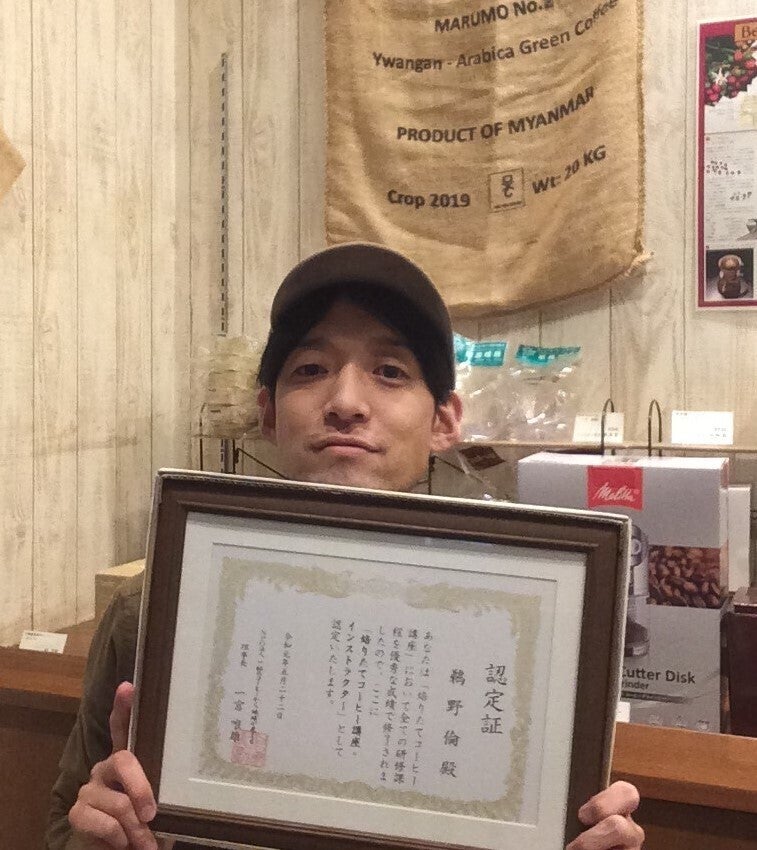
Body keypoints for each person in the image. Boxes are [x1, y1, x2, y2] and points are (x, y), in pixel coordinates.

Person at [47, 243, 644, 850]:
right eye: (310, 369)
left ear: (443, 421)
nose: (346, 404)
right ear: (268, 414)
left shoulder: (540, 631)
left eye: (390, 372)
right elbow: (62, 825)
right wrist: (102, 838)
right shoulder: (151, 612)